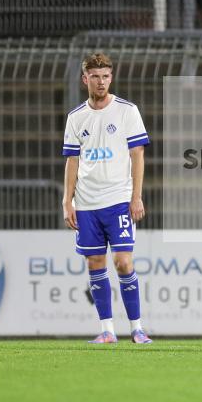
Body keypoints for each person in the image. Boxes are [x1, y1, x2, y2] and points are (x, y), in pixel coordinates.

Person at [61, 52, 152, 344]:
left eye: (105, 76)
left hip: (118, 200)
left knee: (124, 262)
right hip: (86, 204)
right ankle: (108, 330)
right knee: (95, 263)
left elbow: (137, 154)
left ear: (111, 78)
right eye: (95, 77)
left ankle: (137, 328)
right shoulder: (76, 117)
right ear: (85, 79)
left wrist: (136, 196)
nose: (101, 82)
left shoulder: (127, 110)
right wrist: (67, 201)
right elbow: (72, 161)